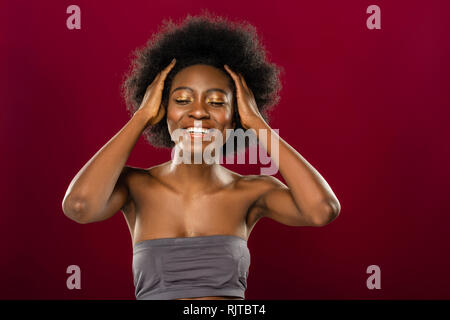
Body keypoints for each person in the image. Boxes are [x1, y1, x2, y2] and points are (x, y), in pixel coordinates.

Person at [62, 12, 341, 300]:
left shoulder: (253, 190)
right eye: (182, 100)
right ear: (162, 110)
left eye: (217, 102)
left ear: (235, 117)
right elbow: (79, 206)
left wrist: (257, 123)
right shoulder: (134, 186)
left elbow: (321, 210)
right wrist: (141, 117)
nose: (198, 112)